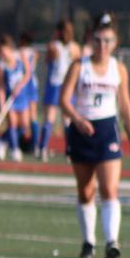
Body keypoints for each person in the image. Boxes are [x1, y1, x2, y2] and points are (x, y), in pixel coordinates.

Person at [59, 20, 130, 258]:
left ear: (115, 44)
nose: (102, 45)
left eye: (107, 41)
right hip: (82, 131)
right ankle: (88, 243)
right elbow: (64, 100)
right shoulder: (79, 66)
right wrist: (77, 119)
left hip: (107, 130)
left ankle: (112, 242)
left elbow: (125, 105)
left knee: (109, 188)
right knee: (86, 191)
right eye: (97, 40)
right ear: (90, 41)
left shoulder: (119, 69)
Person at [36, 20, 80, 161]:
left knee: (49, 117)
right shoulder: (75, 47)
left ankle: (43, 149)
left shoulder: (53, 46)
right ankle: (69, 150)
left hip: (55, 83)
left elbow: (48, 61)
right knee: (68, 119)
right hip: (68, 84)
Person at [0, 33, 36, 161]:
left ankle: (2, 141)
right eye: (0, 52)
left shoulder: (20, 57)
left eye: (4, 50)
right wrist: (1, 103)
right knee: (12, 123)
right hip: (10, 98)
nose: (2, 54)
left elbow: (28, 73)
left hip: (22, 96)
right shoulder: (1, 67)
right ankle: (15, 149)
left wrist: (20, 85)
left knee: (24, 126)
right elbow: (1, 87)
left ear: (9, 48)